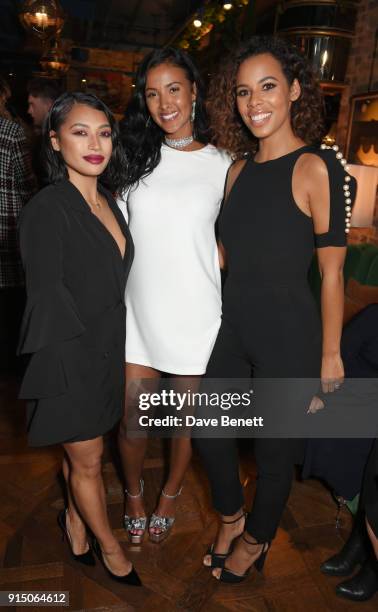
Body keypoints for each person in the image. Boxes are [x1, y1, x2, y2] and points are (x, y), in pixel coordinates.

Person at [195, 35, 357, 583]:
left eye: (267, 86)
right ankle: (233, 515)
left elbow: (333, 272)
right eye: (243, 91)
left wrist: (331, 356)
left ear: (293, 91)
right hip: (234, 327)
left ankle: (256, 541)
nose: (254, 101)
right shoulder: (237, 170)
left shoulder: (317, 166)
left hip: (290, 334)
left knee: (272, 456)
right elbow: (225, 254)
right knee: (207, 430)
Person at [17, 92, 140, 586]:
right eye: (79, 132)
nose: (95, 144)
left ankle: (74, 522)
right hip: (71, 358)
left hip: (109, 352)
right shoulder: (48, 208)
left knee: (84, 459)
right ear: (54, 140)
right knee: (88, 464)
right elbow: (45, 300)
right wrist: (70, 376)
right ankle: (111, 549)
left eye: (104, 132)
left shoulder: (109, 201)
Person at [117, 47, 231, 544]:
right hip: (139, 310)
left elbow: (236, 235)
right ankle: (134, 491)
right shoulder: (130, 155)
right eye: (153, 92)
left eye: (174, 89)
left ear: (194, 91)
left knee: (185, 421)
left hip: (196, 311)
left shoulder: (224, 163)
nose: (165, 102)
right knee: (133, 418)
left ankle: (170, 492)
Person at [0, 77, 37, 377]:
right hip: (8, 226)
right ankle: (11, 370)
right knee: (12, 305)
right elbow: (26, 180)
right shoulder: (11, 131)